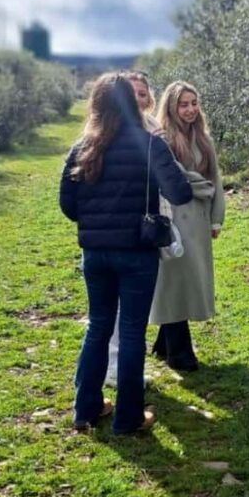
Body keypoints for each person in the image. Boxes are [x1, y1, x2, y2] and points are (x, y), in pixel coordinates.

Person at [59, 73, 192, 434]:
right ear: (132, 103)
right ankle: (128, 418)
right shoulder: (150, 145)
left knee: (97, 326)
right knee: (132, 332)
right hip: (137, 251)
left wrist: (97, 222)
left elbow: (67, 204)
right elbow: (180, 193)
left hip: (95, 253)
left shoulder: (83, 146)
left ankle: (85, 409)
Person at [149, 81, 225, 371]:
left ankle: (164, 343)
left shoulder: (203, 139)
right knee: (173, 282)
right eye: (184, 104)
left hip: (199, 220)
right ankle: (179, 352)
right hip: (173, 218)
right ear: (171, 107)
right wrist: (201, 188)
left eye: (194, 103)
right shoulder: (163, 139)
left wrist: (217, 217)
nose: (191, 109)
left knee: (187, 281)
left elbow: (214, 180)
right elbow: (178, 180)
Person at [103, 70, 162, 389]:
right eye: (132, 93)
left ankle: (127, 371)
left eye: (142, 93)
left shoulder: (154, 128)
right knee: (111, 312)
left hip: (145, 231)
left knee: (134, 310)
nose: (138, 98)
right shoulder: (107, 131)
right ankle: (113, 368)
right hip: (115, 233)